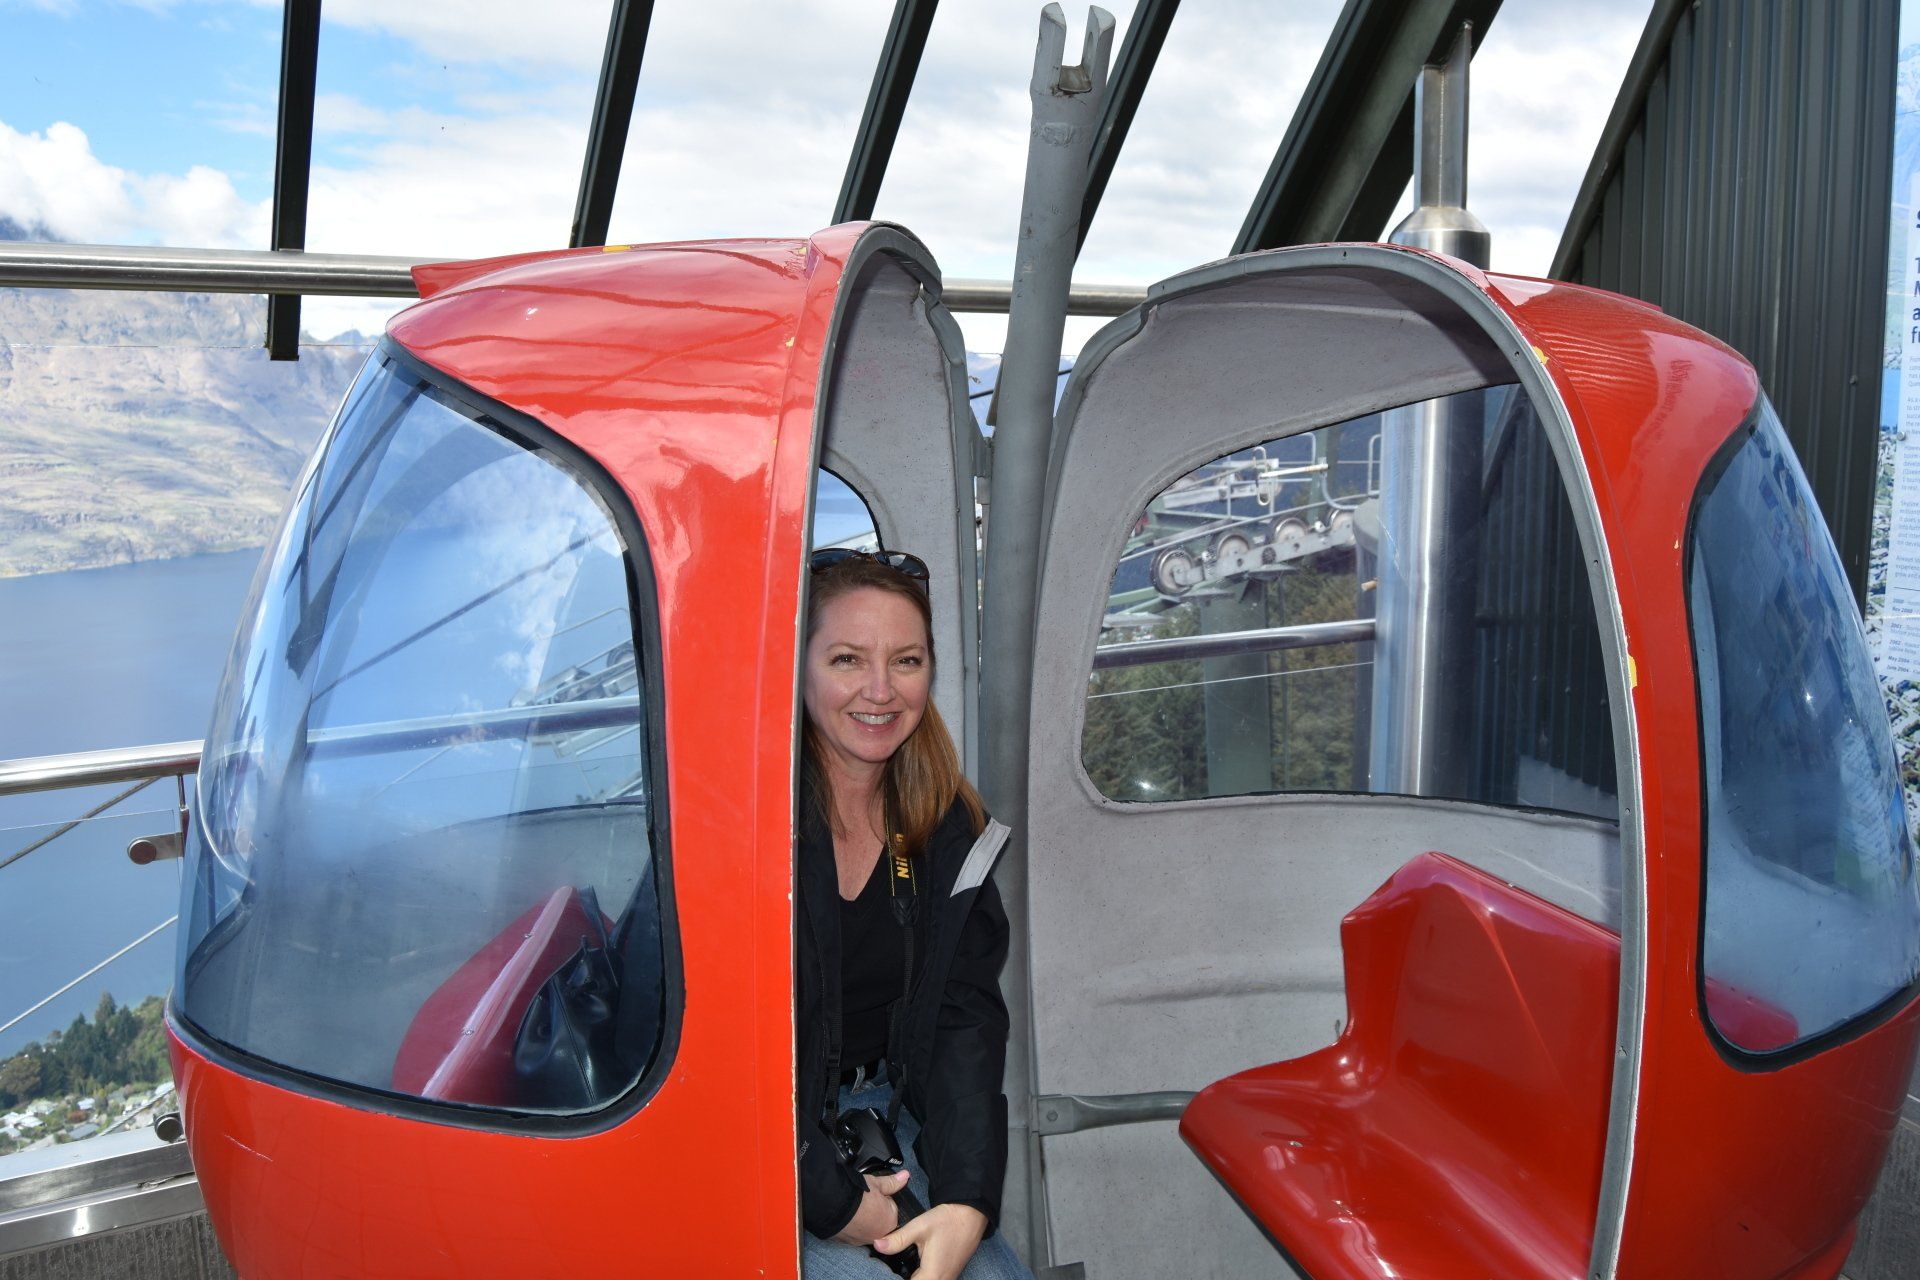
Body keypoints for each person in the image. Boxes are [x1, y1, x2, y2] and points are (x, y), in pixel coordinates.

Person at [797, 548, 1033, 1280]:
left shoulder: (943, 819)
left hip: (878, 1113)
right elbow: (709, 1064)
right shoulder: (733, 820)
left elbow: (962, 1016)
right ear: (795, 667)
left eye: (906, 660)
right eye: (845, 659)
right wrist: (837, 1207)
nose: (879, 689)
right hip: (768, 1141)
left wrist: (967, 1199)